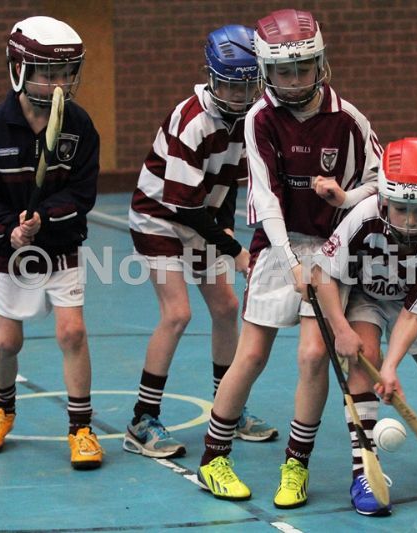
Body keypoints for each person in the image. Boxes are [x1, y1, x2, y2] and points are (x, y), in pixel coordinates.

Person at [196, 8, 382, 509]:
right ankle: (213, 458)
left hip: (332, 248)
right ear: (265, 71)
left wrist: (346, 198)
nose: (295, 80)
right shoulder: (260, 119)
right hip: (278, 244)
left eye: (303, 68)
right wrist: (292, 264)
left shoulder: (349, 119)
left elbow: (381, 182)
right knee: (252, 355)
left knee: (313, 355)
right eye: (283, 71)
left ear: (320, 63)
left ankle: (295, 466)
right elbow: (266, 199)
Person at [124, 25, 277, 459]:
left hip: (198, 212)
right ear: (211, 78)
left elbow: (226, 184)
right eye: (231, 85)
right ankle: (142, 420)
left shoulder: (248, 119)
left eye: (249, 85)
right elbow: (183, 207)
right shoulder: (194, 121)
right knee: (177, 313)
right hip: (159, 217)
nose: (240, 95)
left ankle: (228, 408)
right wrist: (236, 250)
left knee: (226, 308)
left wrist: (225, 228)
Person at [312, 137, 417, 516]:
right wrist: (341, 329)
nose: (409, 220)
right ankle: (364, 469)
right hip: (364, 296)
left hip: (410, 303)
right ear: (385, 200)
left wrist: (391, 368)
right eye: (401, 209)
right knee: (365, 359)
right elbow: (323, 274)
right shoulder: (364, 217)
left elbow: (413, 314)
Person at [0, 16, 102, 469]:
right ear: (19, 70)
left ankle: (81, 428)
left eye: (66, 73)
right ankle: (2, 409)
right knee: (6, 343)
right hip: (11, 253)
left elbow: (82, 193)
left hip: (61, 245)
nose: (59, 84)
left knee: (72, 332)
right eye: (48, 73)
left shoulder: (79, 125)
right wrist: (10, 229)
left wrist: (45, 218)